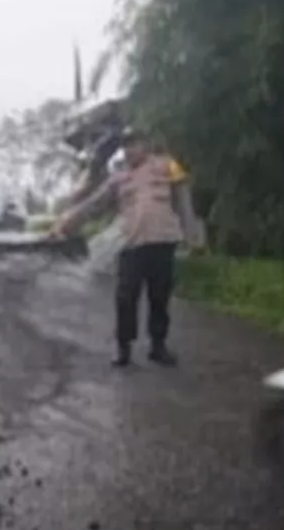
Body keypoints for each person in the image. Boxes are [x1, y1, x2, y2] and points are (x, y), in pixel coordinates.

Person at [50, 128, 197, 368]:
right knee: (126, 297)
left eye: (134, 144)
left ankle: (158, 347)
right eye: (126, 146)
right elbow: (93, 204)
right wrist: (64, 225)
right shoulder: (119, 178)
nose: (129, 150)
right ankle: (123, 348)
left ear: (146, 145)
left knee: (159, 297)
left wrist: (191, 233)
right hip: (132, 244)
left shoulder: (167, 165)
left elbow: (183, 195)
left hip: (163, 241)